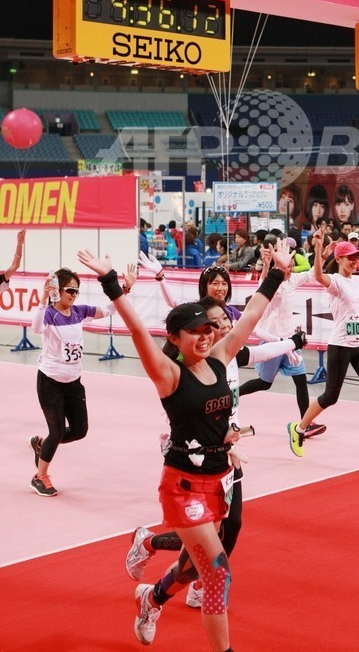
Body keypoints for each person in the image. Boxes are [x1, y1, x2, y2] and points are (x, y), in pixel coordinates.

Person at [77, 239, 291, 652]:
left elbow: (249, 317)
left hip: (219, 479)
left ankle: (151, 598)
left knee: (193, 567)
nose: (206, 336)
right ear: (175, 338)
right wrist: (110, 282)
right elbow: (138, 330)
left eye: (208, 329)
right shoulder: (169, 375)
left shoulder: (220, 358)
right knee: (218, 571)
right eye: (195, 331)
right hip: (184, 486)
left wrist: (278, 273)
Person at [125, 295, 307, 611]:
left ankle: (157, 589)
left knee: (227, 529)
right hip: (194, 462)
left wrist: (292, 342)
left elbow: (264, 345)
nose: (221, 326)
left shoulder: (231, 352)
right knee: (208, 544)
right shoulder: (192, 365)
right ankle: (182, 571)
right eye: (212, 322)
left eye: (223, 320)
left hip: (227, 456)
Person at [286, 231, 359, 467]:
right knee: (330, 397)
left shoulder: (356, 280)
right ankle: (298, 429)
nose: (355, 261)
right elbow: (318, 275)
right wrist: (318, 248)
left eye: (357, 257)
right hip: (340, 346)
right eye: (350, 257)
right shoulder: (335, 282)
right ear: (339, 259)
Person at [28, 263, 129, 497]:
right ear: (57, 290)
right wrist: (43, 299)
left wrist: (125, 289)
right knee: (56, 432)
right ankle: (39, 476)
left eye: (76, 291)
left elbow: (108, 310)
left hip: (73, 382)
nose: (73, 295)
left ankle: (41, 444)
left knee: (80, 430)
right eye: (69, 290)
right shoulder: (49, 314)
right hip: (50, 381)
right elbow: (36, 328)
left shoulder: (79, 311)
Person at [238, 252, 325, 437]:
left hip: (290, 342)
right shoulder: (270, 283)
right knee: (264, 383)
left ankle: (305, 424)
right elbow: (262, 286)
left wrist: (321, 254)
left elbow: (312, 273)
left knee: (301, 380)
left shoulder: (292, 280)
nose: (290, 268)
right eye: (286, 266)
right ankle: (232, 395)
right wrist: (266, 267)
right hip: (271, 342)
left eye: (291, 265)